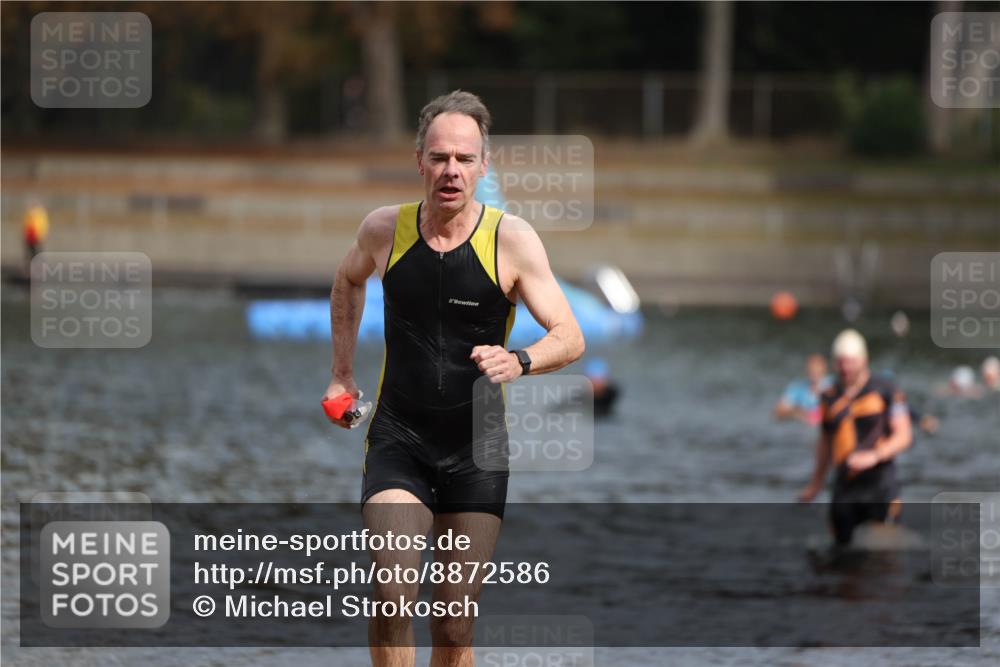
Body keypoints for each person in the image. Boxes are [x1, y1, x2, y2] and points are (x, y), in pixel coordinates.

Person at [322, 90, 585, 667]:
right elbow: (347, 281)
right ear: (419, 161)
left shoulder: (511, 239)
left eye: (465, 159)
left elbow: (570, 335)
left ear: (483, 167)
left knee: (454, 623)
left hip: (477, 450)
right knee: (392, 596)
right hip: (399, 438)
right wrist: (342, 375)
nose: (451, 171)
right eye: (440, 157)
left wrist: (519, 361)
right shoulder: (383, 230)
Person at [798, 329, 913, 546]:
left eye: (851, 362)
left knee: (883, 556)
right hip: (845, 485)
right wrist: (816, 484)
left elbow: (904, 435)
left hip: (880, 483)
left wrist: (875, 455)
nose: (845, 368)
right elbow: (825, 443)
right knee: (839, 553)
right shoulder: (828, 395)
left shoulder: (886, 388)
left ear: (864, 360)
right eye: (840, 362)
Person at [774, 354, 831, 425]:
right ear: (807, 370)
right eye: (812, 370)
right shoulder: (797, 387)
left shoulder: (832, 385)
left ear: (824, 370)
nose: (814, 373)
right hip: (802, 427)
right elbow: (779, 411)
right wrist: (797, 412)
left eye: (817, 370)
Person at [22, 198, 49, 265]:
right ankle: (30, 266)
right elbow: (25, 224)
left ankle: (39, 266)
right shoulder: (29, 213)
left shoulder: (40, 213)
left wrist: (42, 235)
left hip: (37, 236)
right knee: (29, 252)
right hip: (29, 236)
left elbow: (43, 225)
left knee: (37, 252)